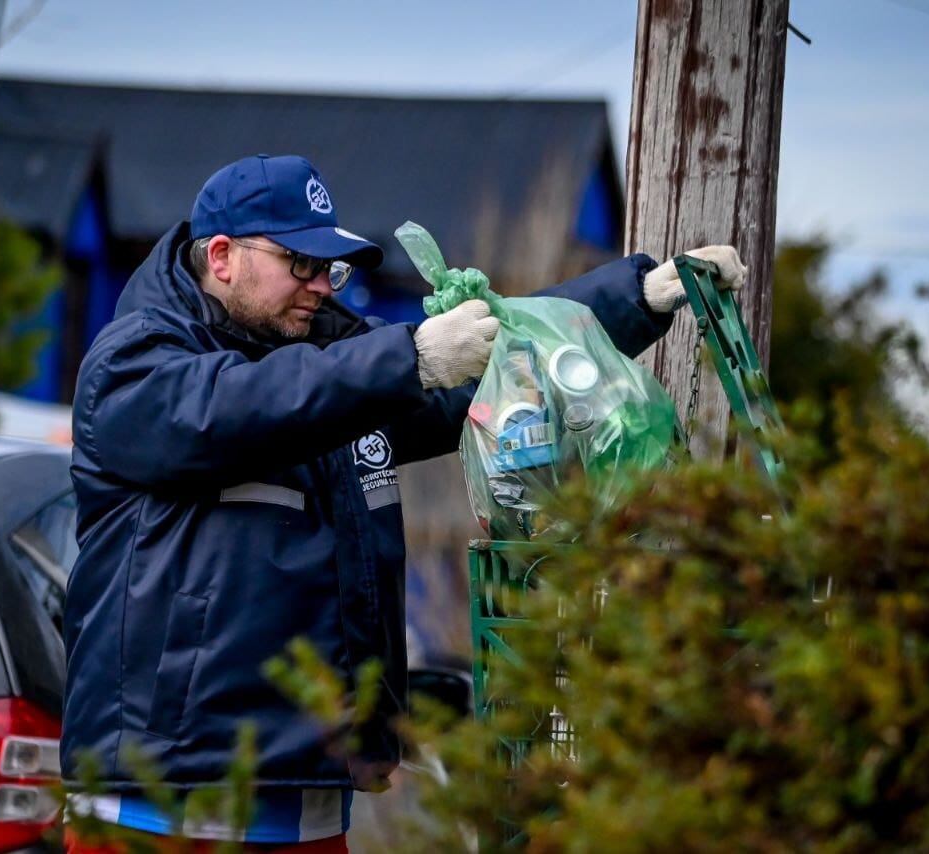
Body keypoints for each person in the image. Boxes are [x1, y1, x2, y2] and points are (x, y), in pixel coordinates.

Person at [62, 154, 745, 852]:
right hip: (157, 810)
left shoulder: (337, 365)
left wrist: (639, 298)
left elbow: (484, 370)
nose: (322, 285)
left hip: (306, 807)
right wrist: (408, 357)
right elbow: (233, 408)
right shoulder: (135, 364)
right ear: (222, 256)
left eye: (332, 267)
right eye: (301, 263)